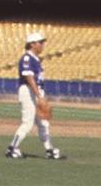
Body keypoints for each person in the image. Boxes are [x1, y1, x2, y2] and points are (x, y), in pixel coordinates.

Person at [6, 28, 61, 161]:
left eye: (42, 42)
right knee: (28, 123)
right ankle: (12, 148)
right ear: (32, 44)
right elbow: (29, 77)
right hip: (28, 91)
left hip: (35, 92)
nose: (42, 45)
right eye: (40, 42)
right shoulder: (27, 58)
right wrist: (39, 95)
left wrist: (41, 95)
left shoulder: (35, 59)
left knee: (43, 123)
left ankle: (49, 150)